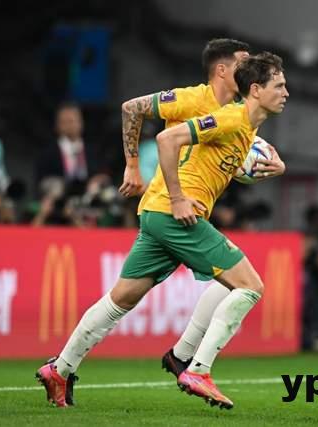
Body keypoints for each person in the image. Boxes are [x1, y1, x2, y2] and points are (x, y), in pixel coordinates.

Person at [36, 52, 289, 409]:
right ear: (256, 89)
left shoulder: (245, 125)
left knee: (121, 299)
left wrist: (273, 169)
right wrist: (178, 197)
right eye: (279, 85)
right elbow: (167, 140)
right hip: (175, 214)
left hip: (158, 214)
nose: (286, 93)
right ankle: (196, 368)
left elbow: (219, 162)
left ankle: (60, 369)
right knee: (250, 286)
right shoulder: (228, 116)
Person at [35, 102, 99, 189]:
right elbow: (40, 184)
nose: (69, 126)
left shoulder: (93, 151)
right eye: (64, 122)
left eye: (72, 121)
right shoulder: (47, 154)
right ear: (57, 125)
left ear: (81, 123)